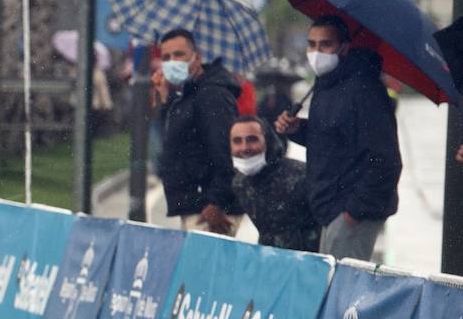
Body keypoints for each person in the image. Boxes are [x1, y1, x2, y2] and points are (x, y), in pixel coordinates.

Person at [276, 16, 401, 261]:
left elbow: (385, 160)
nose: (316, 52)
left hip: (349, 211)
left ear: (344, 47)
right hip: (328, 208)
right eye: (311, 44)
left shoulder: (364, 89)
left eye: (325, 45)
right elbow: (332, 138)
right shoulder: (327, 84)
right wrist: (297, 129)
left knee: (343, 289)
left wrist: (354, 212)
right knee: (334, 286)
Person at [152, 28, 243, 236]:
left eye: (179, 54)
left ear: (197, 58)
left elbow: (226, 151)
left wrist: (216, 202)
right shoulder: (189, 93)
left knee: (205, 268)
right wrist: (167, 99)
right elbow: (177, 143)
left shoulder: (212, 94)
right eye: (166, 57)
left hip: (210, 211)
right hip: (195, 205)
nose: (172, 62)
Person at [228, 115, 319, 253]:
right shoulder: (240, 182)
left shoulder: (301, 175)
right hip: (270, 262)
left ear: (268, 141)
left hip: (308, 261)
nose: (244, 147)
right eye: (237, 141)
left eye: (252, 139)